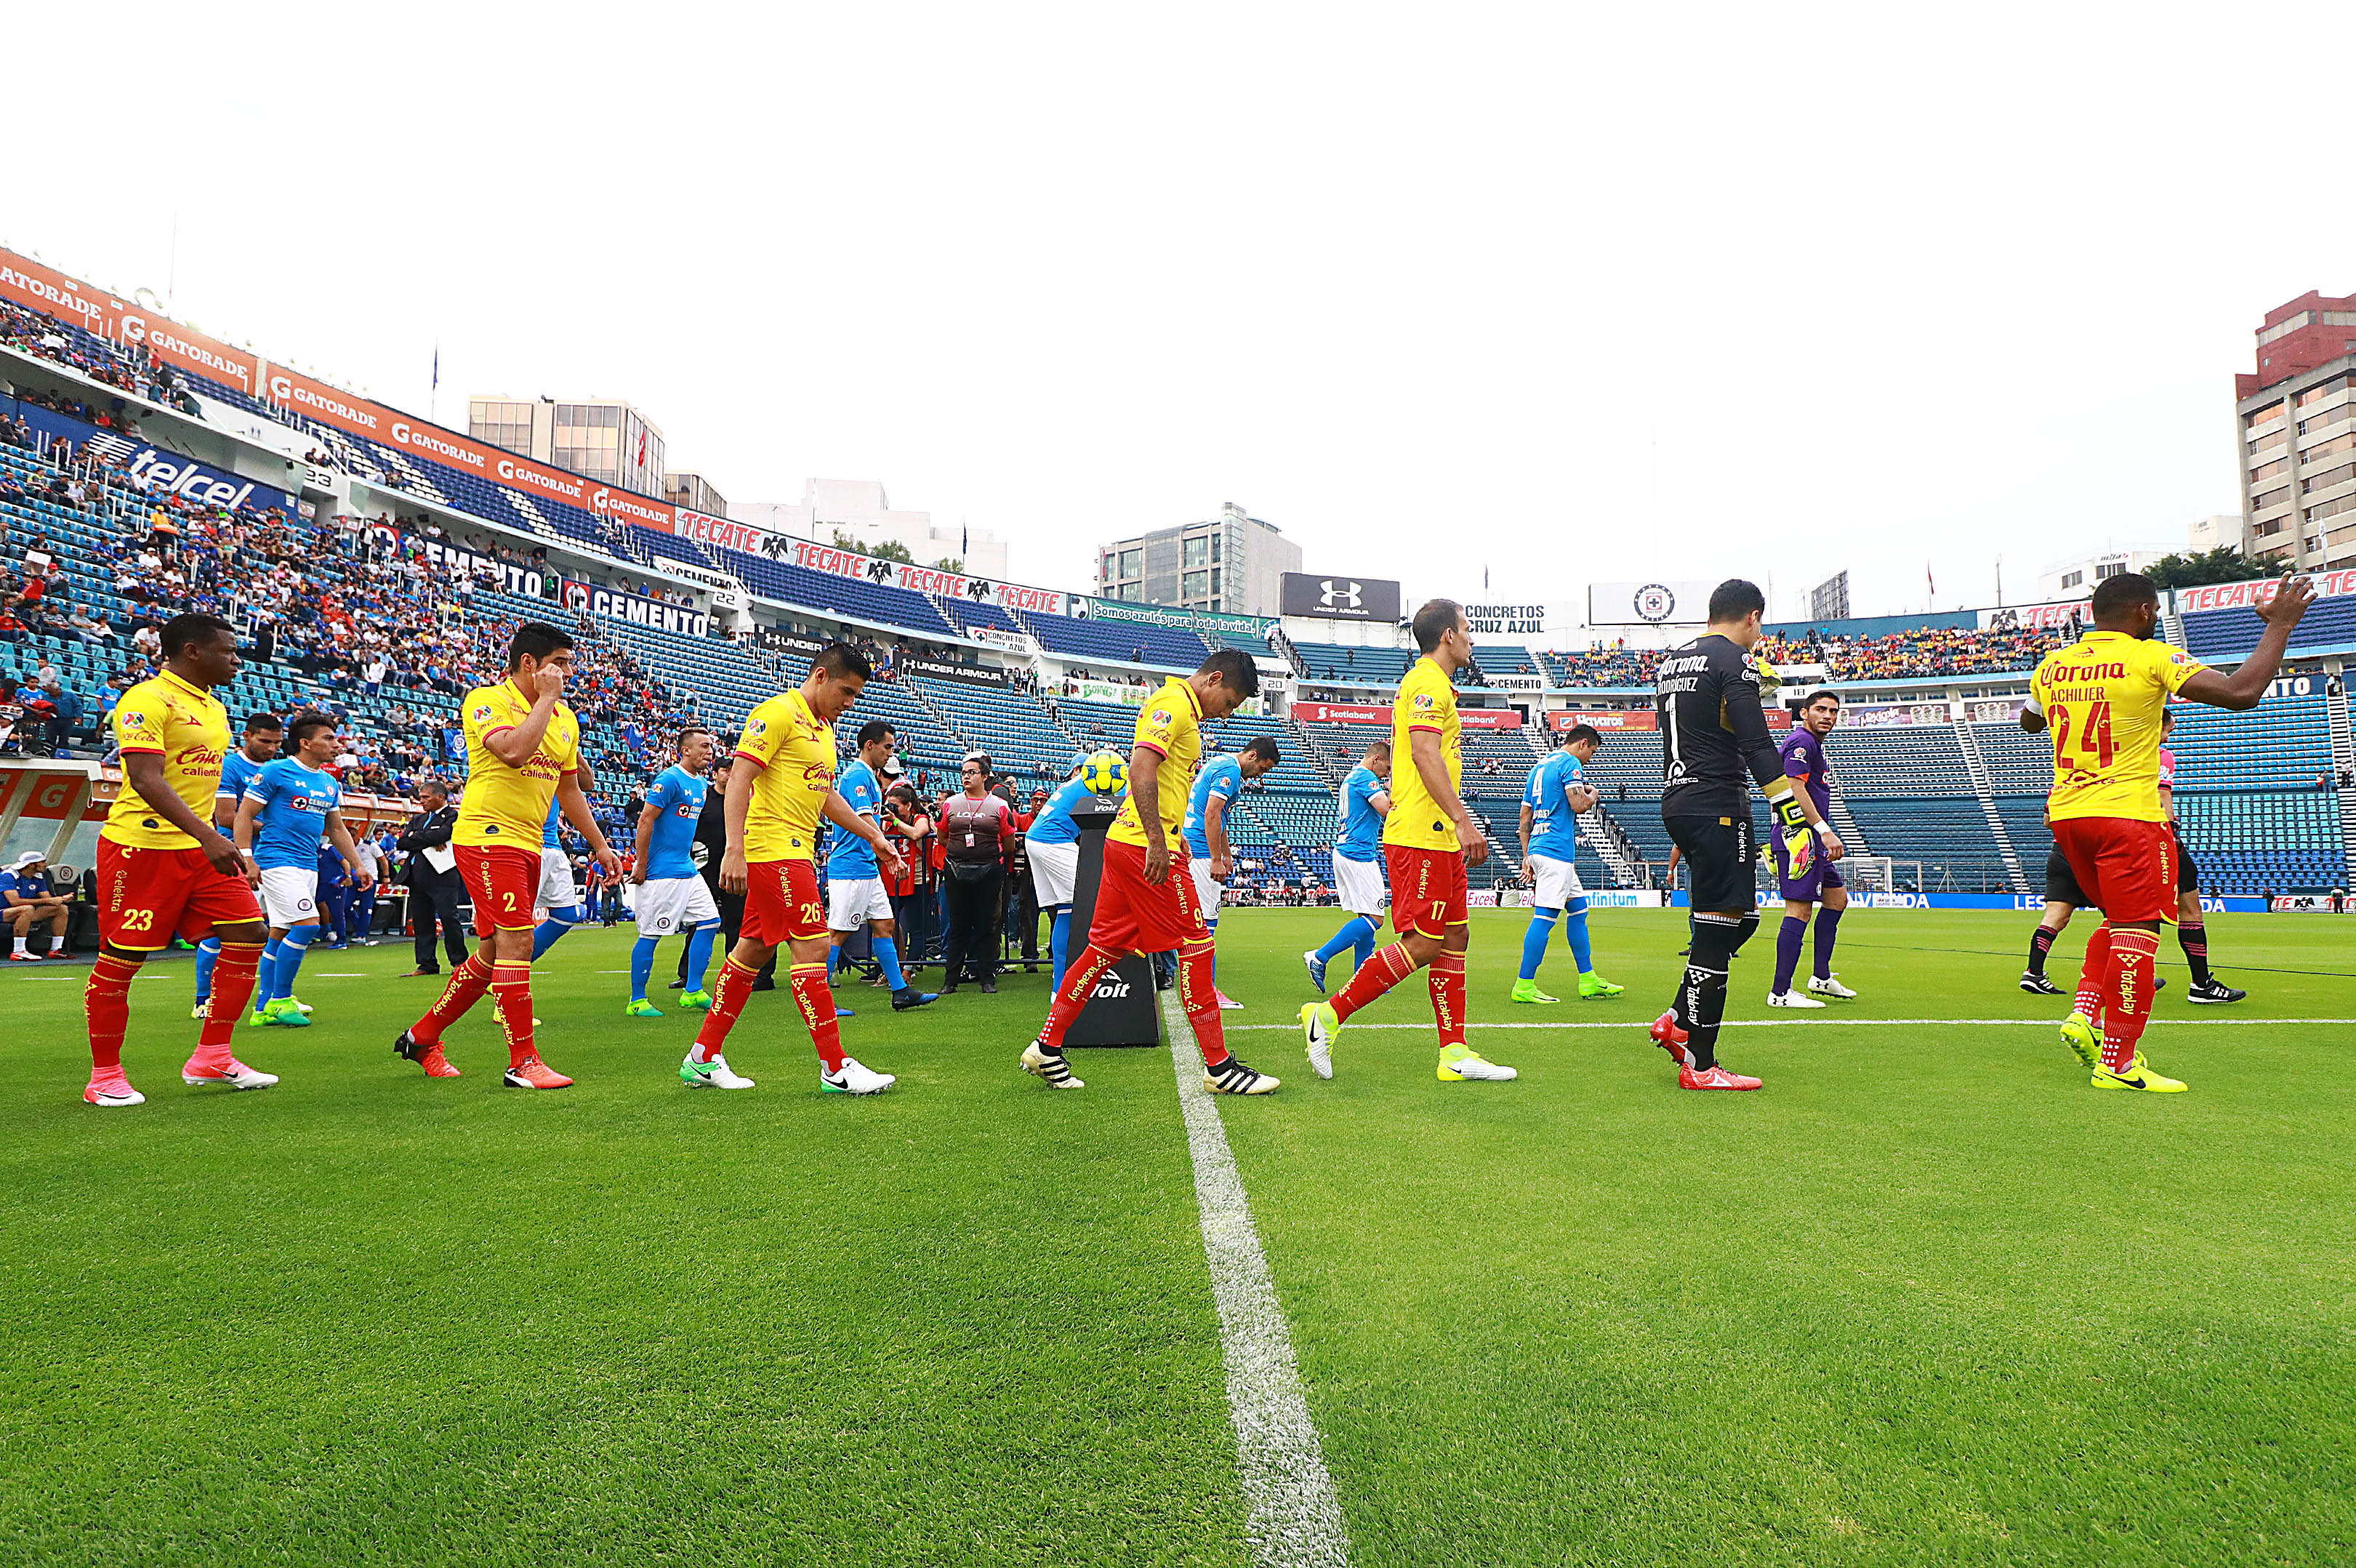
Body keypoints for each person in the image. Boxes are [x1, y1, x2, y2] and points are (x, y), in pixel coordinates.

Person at [2022, 571, 2311, 1092]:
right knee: (2139, 934)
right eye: (2154, 611)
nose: (2155, 618)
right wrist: (2280, 626)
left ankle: (2084, 1014)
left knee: (2116, 924)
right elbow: (2241, 691)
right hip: (2128, 815)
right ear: (2143, 611)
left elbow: (2029, 722)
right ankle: (2118, 1064)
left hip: (2068, 815)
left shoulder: (2052, 665)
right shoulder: (2150, 656)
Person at [1021, 648, 1277, 1094]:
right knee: (1197, 945)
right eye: (1230, 702)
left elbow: (1165, 782)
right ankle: (1219, 1068)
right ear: (1214, 679)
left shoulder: (1184, 710)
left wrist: (1171, 835)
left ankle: (1047, 1046)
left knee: (1102, 950)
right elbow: (1141, 768)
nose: (1228, 713)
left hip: (1130, 844)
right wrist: (1159, 841)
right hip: (1144, 848)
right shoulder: (1173, 704)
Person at [392, 623, 622, 1087]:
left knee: (494, 952)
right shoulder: (487, 700)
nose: (568, 672)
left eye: (570, 663)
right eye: (559, 663)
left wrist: (600, 845)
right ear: (529, 664)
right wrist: (546, 700)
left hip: (530, 842)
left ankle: (421, 1038)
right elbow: (514, 751)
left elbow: (570, 788)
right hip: (487, 836)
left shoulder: (565, 718)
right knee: (518, 943)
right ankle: (523, 1062)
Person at [1298, 601, 1515, 1085]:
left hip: (1437, 836)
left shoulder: (1436, 684)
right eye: (1466, 629)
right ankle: (1327, 1016)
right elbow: (1422, 752)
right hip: (1421, 835)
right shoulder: (1426, 682)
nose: (1471, 638)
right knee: (1423, 941)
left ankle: (1454, 1053)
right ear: (1447, 635)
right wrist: (1462, 820)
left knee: (1455, 937)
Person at [681, 643, 908, 1094]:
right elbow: (740, 778)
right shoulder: (777, 714)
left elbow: (825, 797)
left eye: (856, 695)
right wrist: (734, 848)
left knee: (752, 951)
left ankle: (702, 1057)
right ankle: (835, 1068)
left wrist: (875, 837)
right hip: (775, 849)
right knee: (813, 947)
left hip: (796, 849)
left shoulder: (823, 730)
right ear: (821, 677)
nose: (850, 703)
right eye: (846, 691)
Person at [1644, 580, 1839, 1092]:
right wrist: (1792, 817)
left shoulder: (1672, 660)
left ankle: (1676, 1019)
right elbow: (1757, 745)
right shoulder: (1736, 661)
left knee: (1741, 918)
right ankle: (1700, 1063)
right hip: (1717, 804)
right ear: (1752, 617)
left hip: (1679, 798)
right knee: (1716, 929)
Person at [81, 613, 276, 1108]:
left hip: (197, 849)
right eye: (229, 651)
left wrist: (208, 836)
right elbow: (145, 779)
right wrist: (210, 835)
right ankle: (104, 1075)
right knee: (123, 958)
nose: (237, 660)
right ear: (193, 650)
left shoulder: (214, 707)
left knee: (249, 933)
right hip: (141, 849)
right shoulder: (146, 699)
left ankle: (212, 1055)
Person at [234, 712, 372, 1028]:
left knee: (280, 933)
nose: (337, 744)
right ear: (306, 743)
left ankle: (263, 1007)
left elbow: (336, 829)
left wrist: (358, 864)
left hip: (308, 865)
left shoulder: (329, 782)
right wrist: (247, 859)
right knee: (308, 925)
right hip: (277, 861)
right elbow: (244, 815)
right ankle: (281, 999)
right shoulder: (276, 771)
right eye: (329, 738)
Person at [824, 721, 936, 1013]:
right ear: (870, 745)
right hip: (851, 867)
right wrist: (890, 853)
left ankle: (900, 991)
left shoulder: (869, 777)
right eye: (887, 747)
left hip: (865, 867)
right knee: (838, 933)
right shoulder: (857, 776)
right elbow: (866, 820)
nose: (890, 753)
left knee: (885, 926)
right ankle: (820, 1000)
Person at [1513, 723, 1623, 1003]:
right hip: (1555, 851)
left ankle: (1588, 979)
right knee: (1545, 917)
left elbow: (1525, 817)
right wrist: (1592, 795)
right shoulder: (1570, 763)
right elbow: (1579, 805)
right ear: (1583, 743)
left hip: (1541, 847)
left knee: (1578, 910)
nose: (1589, 760)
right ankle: (1524, 985)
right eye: (1592, 753)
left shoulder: (1538, 767)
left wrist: (1527, 855)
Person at [627, 727, 725, 1016]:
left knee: (710, 921)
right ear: (686, 750)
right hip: (661, 872)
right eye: (704, 746)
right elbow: (645, 820)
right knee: (651, 934)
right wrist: (641, 863)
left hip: (687, 869)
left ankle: (692, 991)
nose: (710, 752)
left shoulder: (701, 785)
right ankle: (637, 1001)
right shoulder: (669, 779)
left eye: (711, 747)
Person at [1766, 690, 1855, 1008]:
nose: (1828, 716)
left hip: (1809, 839)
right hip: (1799, 839)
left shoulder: (1813, 744)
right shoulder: (1802, 742)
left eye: (1833, 711)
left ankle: (1821, 976)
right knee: (1799, 910)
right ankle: (1780, 992)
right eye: (1820, 709)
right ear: (1804, 713)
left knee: (1837, 899)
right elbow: (1794, 787)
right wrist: (1824, 830)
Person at [193, 712, 283, 1018]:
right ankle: (203, 1000)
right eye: (265, 741)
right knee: (223, 928)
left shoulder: (277, 769)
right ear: (246, 736)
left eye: (277, 743)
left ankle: (275, 999)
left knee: (279, 928)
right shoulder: (230, 766)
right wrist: (275, 827)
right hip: (234, 856)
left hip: (273, 855)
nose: (271, 749)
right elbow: (226, 816)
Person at [1183, 735, 1282, 1009]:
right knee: (1206, 926)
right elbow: (1212, 814)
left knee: (1195, 923)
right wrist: (1216, 859)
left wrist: (1226, 855)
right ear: (1253, 756)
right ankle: (1206, 992)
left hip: (1198, 847)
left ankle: (1197, 987)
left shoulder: (1221, 761)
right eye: (1262, 768)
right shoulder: (1231, 771)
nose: (1260, 775)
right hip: (1201, 851)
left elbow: (1221, 818)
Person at [1303, 740, 1391, 992]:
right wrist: (1393, 790)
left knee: (1367, 916)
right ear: (1375, 759)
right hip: (1357, 854)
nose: (1387, 774)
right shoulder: (1365, 777)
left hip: (1349, 850)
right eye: (1387, 767)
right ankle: (1320, 956)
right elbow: (1386, 810)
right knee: (1376, 918)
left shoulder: (1353, 776)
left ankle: (1362, 978)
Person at [939, 754, 1015, 993]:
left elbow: (1009, 842)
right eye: (963, 773)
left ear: (984, 776)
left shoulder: (999, 806)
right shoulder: (951, 804)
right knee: (958, 926)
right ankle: (950, 981)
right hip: (956, 870)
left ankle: (987, 979)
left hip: (989, 871)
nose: (966, 776)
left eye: (971, 772)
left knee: (987, 926)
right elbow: (942, 837)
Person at [1024, 756, 1098, 991]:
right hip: (1053, 841)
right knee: (1091, 902)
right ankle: (1087, 979)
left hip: (1038, 839)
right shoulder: (1097, 781)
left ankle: (1060, 987)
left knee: (1067, 910)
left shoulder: (1072, 785)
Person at [398, 781, 469, 976]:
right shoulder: (418, 819)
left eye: (425, 797)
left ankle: (459, 961)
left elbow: (443, 835)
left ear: (440, 797)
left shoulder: (453, 816)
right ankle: (426, 963)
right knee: (422, 922)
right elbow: (402, 843)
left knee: (449, 918)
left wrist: (418, 837)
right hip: (417, 876)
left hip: (442, 875)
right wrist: (428, 838)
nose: (421, 801)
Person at [1, 850, 71, 960]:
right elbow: (15, 902)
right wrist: (50, 901)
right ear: (31, 865)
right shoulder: (8, 876)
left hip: (24, 912)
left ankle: (56, 949)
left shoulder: (38, 877)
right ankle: (18, 951)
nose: (45, 865)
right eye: (42, 862)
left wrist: (61, 899)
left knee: (61, 909)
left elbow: (47, 899)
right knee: (27, 909)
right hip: (3, 912)